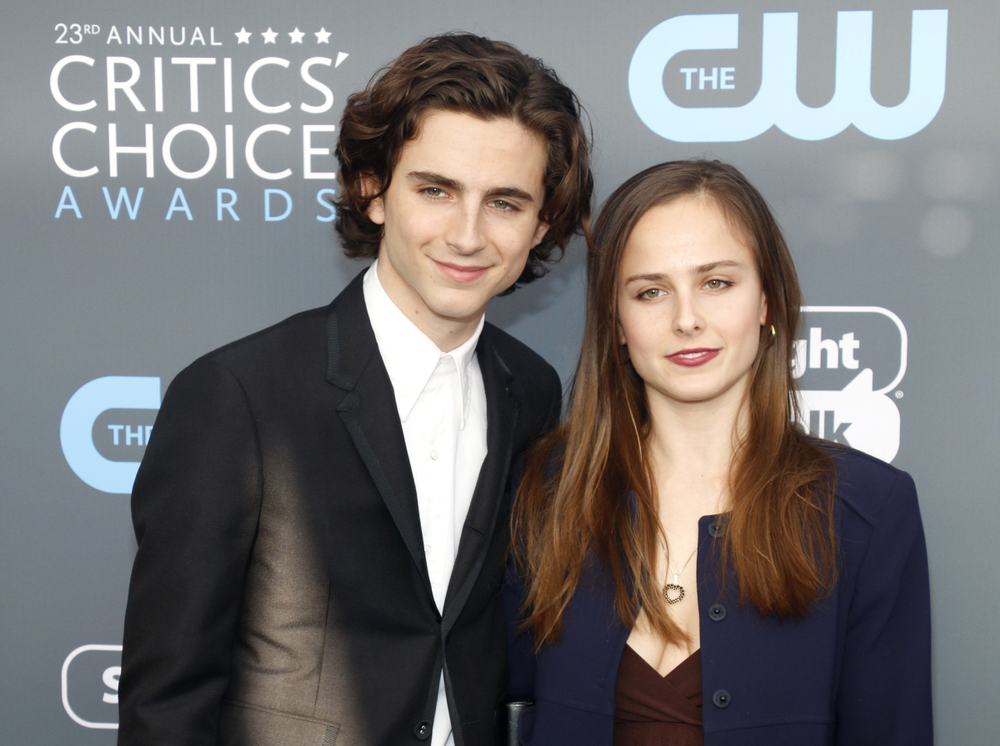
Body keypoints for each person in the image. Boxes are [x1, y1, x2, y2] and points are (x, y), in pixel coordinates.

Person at [118, 33, 592, 746]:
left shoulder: (529, 389)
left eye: (504, 202)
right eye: (436, 191)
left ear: (540, 223)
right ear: (373, 191)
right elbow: (168, 703)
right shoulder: (237, 397)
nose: (467, 235)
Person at [503, 160, 931, 745]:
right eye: (651, 292)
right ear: (617, 322)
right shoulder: (542, 491)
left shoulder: (868, 509)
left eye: (716, 283)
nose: (686, 320)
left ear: (767, 301)